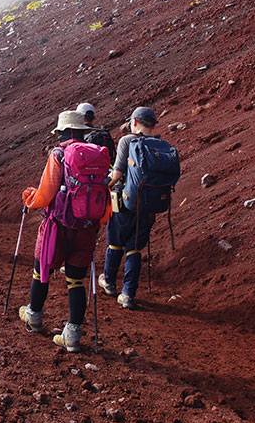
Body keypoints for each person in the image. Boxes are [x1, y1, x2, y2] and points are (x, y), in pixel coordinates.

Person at [18, 110, 112, 352]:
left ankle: (34, 316)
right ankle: (72, 335)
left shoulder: (59, 154)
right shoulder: (99, 155)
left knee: (41, 272)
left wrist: (30, 200)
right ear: (82, 132)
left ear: (63, 133)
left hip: (58, 227)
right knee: (76, 281)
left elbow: (46, 193)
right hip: (87, 228)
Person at [99, 106, 159, 310]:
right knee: (134, 248)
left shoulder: (127, 141)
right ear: (153, 125)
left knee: (115, 243)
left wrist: (102, 185)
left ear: (134, 122)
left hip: (125, 203)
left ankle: (108, 282)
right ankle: (127, 295)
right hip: (149, 207)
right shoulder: (159, 144)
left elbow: (116, 175)